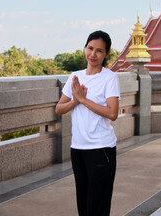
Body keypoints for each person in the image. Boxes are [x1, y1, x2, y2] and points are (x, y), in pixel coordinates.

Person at [55, 30, 120, 216]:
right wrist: (75, 100)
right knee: (83, 204)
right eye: (90, 48)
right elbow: (59, 109)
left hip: (101, 149)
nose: (93, 54)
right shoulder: (75, 76)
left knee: (97, 205)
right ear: (85, 48)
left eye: (99, 51)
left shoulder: (109, 78)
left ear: (106, 54)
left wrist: (83, 100)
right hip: (78, 148)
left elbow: (112, 113)